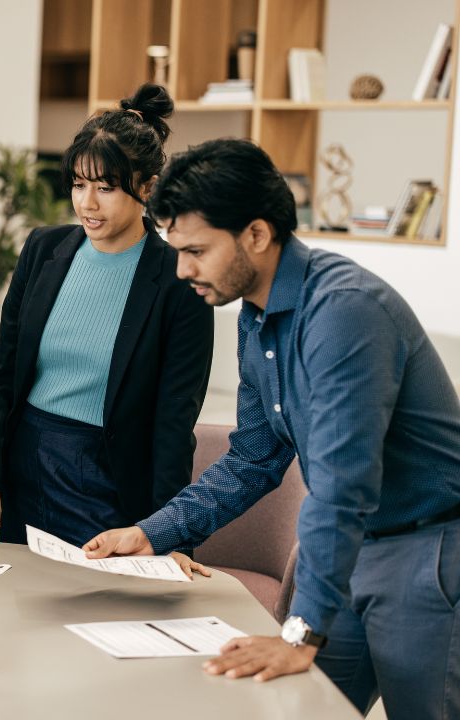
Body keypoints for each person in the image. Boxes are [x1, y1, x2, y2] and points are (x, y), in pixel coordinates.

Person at [84, 138, 460, 720]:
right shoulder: (257, 315)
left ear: (256, 235)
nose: (182, 269)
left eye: (197, 251)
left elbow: (342, 487)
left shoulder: (344, 313)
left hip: (427, 553)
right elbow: (254, 458)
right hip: (349, 550)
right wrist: (152, 533)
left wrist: (298, 633)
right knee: (293, 706)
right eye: (176, 250)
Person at [0, 84, 214, 565]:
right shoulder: (44, 249)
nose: (87, 203)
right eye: (78, 183)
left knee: (98, 610)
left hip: (107, 479)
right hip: (25, 462)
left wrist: (166, 535)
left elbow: (174, 423)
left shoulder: (179, 280)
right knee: (16, 604)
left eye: (106, 188)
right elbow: (1, 375)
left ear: (147, 187)